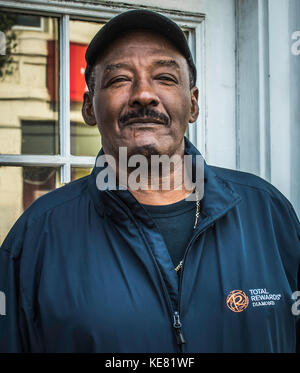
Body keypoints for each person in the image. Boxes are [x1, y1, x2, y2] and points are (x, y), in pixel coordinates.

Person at [0, 9, 299, 353]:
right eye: (119, 80)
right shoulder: (37, 235)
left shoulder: (268, 212)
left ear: (193, 105)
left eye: (166, 78)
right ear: (89, 108)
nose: (144, 94)